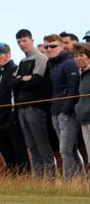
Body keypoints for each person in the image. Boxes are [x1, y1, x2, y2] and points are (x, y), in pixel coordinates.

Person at [10, 29, 54, 178]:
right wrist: (24, 78)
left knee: (42, 146)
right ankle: (38, 179)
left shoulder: (40, 58)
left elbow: (36, 81)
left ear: (31, 40)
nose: (22, 44)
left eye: (24, 40)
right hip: (22, 107)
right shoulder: (22, 61)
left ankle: (50, 180)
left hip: (36, 107)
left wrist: (21, 79)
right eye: (19, 42)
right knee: (32, 147)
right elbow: (11, 83)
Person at [43, 34, 83, 179]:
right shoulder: (52, 64)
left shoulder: (69, 62)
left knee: (65, 151)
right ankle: (78, 182)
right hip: (56, 111)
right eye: (46, 46)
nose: (49, 49)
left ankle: (69, 183)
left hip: (67, 113)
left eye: (53, 46)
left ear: (61, 46)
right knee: (70, 150)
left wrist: (66, 110)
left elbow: (73, 88)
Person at [0, 42, 30, 175]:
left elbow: (16, 94)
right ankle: (13, 179)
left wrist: (14, 116)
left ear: (7, 55)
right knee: (6, 152)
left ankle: (24, 178)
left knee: (18, 151)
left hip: (11, 118)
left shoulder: (14, 69)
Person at [70, 43, 90, 151]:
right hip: (84, 119)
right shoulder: (81, 73)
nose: (78, 58)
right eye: (75, 56)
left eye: (81, 55)